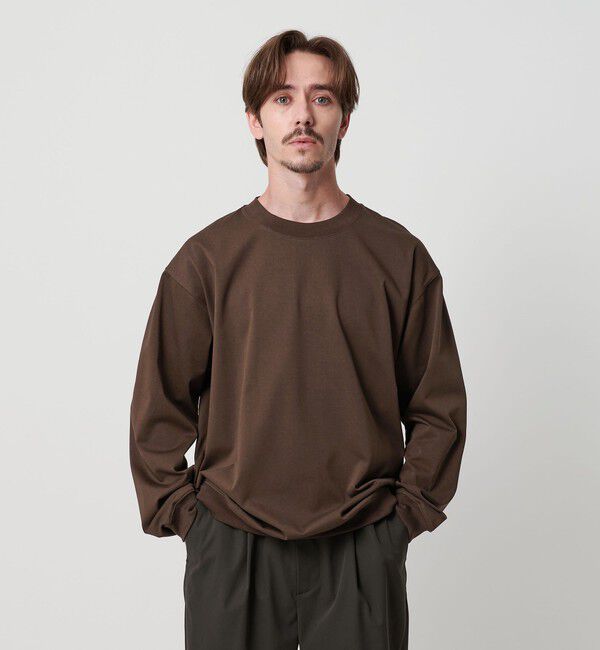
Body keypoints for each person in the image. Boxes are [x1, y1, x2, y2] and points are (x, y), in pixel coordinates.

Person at [129, 29, 467, 650]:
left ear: (345, 120)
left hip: (361, 548)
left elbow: (438, 408)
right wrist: (194, 523)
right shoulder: (206, 262)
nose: (303, 115)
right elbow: (157, 410)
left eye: (322, 98)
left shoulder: (399, 259)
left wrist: (400, 521)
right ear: (255, 121)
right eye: (283, 98)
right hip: (232, 550)